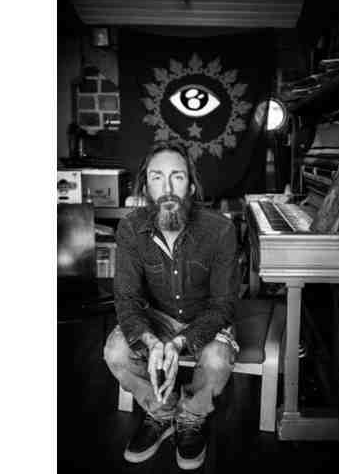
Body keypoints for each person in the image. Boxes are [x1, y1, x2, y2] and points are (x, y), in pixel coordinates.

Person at [103, 141, 240, 470]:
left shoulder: (220, 230)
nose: (167, 188)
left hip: (205, 319)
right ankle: (161, 412)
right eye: (156, 177)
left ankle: (191, 416)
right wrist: (151, 340)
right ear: (146, 188)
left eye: (177, 177)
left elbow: (222, 305)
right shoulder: (130, 228)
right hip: (157, 318)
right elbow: (127, 298)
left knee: (217, 360)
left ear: (190, 186)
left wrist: (180, 343)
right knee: (116, 352)